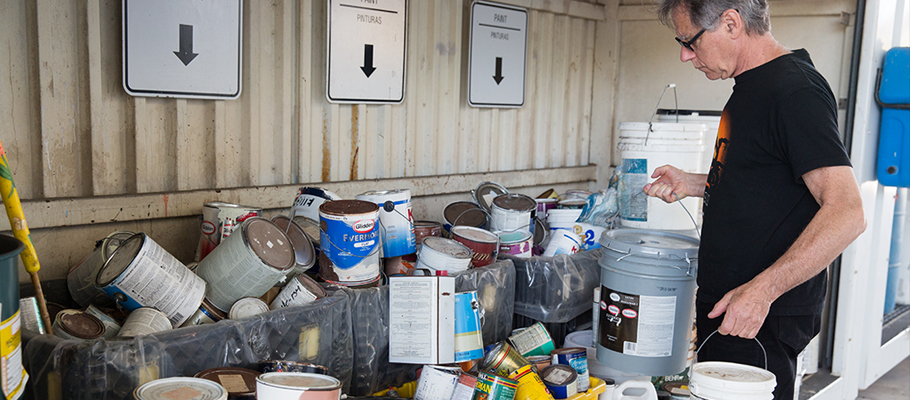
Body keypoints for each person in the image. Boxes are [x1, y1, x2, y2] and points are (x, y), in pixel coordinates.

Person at [645, 1, 866, 399]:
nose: (684, 55)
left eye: (689, 41)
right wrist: (694, 183)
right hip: (731, 311)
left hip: (756, 319)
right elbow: (765, 179)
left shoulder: (794, 91)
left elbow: (847, 212)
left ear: (731, 23)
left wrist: (761, 292)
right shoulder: (754, 87)